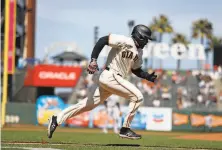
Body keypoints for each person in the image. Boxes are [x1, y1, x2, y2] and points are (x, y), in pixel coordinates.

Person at [47, 24, 157, 140]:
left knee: (87, 105)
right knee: (138, 97)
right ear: (139, 36)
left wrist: (146, 76)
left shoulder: (139, 53)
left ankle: (56, 119)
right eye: (146, 38)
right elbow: (103, 40)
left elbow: (135, 69)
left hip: (112, 80)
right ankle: (125, 129)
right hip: (111, 75)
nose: (147, 42)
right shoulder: (125, 41)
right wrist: (94, 60)